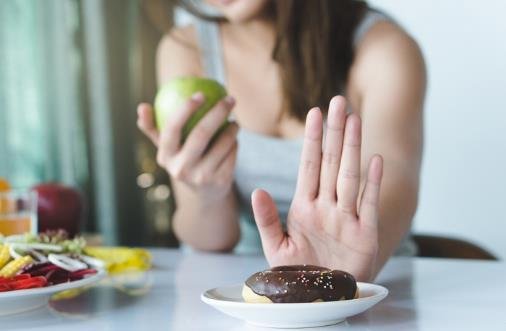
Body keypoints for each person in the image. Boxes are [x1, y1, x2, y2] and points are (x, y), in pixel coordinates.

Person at [137, 0, 425, 281]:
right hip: (248, 290)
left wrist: (344, 268)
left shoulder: (383, 47)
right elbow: (213, 243)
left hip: (375, 283)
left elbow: (396, 180)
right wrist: (205, 193)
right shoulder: (186, 49)